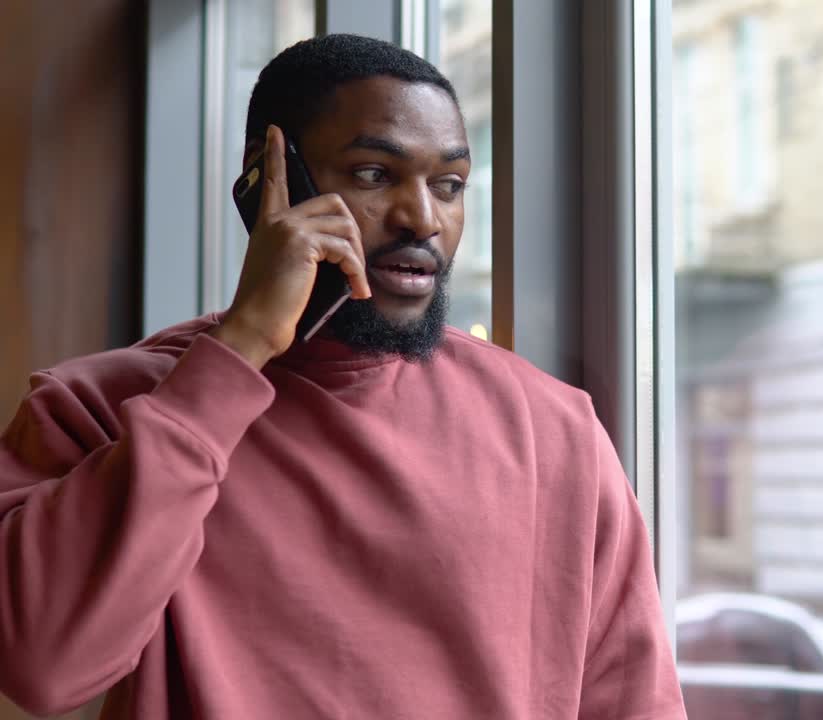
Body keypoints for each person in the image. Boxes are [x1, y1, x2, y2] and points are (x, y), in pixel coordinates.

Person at [0, 34, 686, 719]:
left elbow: (636, 703)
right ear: (267, 182)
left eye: (448, 185)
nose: (423, 217)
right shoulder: (99, 407)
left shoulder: (555, 430)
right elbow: (43, 666)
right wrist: (241, 348)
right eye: (372, 174)